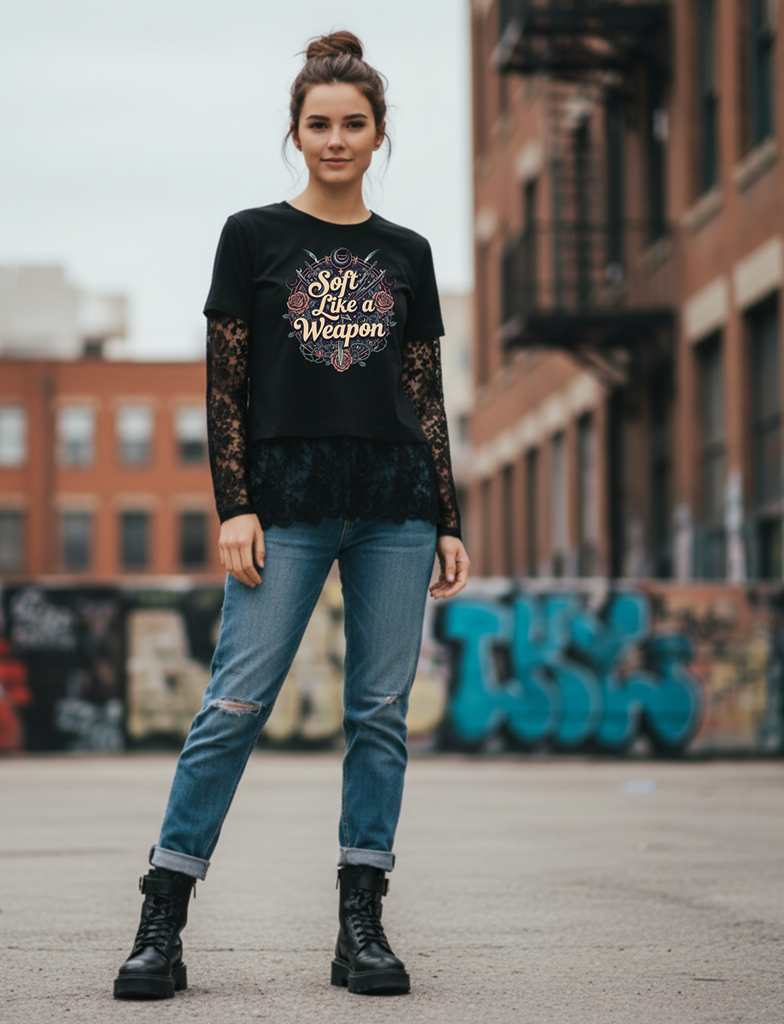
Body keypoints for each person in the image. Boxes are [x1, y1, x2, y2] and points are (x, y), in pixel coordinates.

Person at [113, 29, 470, 1000]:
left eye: (355, 123)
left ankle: (362, 925)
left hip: (395, 505)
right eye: (320, 124)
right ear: (295, 131)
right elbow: (222, 386)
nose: (337, 139)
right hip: (290, 504)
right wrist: (235, 503)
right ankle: (162, 917)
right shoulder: (253, 237)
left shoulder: (408, 253)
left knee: (380, 715)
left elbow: (423, 391)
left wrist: (448, 513)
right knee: (231, 707)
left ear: (380, 132)